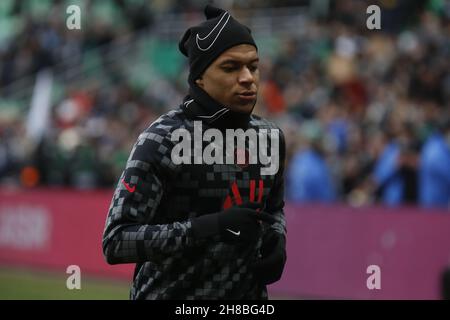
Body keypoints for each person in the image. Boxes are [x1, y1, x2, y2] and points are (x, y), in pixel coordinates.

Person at [102, 5, 287, 300]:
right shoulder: (162, 139)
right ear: (200, 77)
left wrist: (278, 238)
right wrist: (209, 228)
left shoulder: (269, 138)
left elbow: (274, 209)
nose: (248, 78)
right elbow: (115, 241)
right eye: (231, 67)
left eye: (253, 66)